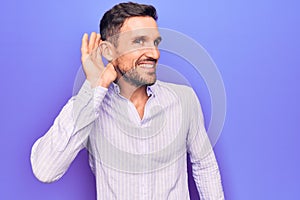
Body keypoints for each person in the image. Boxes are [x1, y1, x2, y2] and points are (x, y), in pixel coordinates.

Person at [30, 2, 224, 199]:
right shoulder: (88, 108)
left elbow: (205, 165)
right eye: (139, 41)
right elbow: (45, 170)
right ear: (108, 51)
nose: (154, 54)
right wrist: (94, 87)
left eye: (155, 43)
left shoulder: (184, 99)